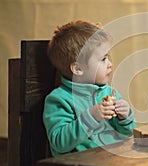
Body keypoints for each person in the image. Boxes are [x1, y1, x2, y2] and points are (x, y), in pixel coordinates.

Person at [43, 20, 136, 157]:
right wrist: (91, 117)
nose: (110, 64)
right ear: (78, 69)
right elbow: (59, 143)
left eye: (108, 57)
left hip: (116, 158)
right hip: (82, 162)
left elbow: (126, 133)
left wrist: (125, 117)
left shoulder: (109, 93)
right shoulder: (59, 99)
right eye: (103, 59)